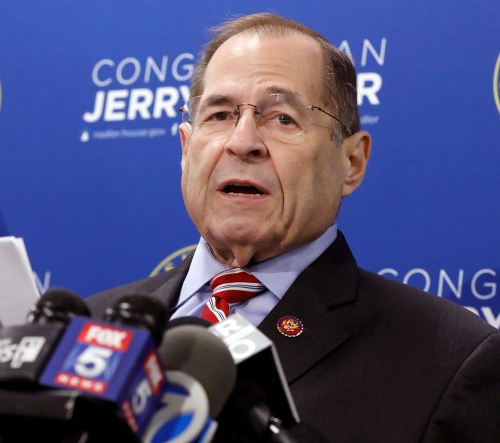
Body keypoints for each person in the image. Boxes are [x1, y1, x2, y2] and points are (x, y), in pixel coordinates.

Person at [86, 12, 500, 442]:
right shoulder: (91, 327)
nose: (242, 142)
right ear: (186, 149)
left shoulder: (449, 361)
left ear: (352, 162)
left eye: (283, 118)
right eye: (220, 114)